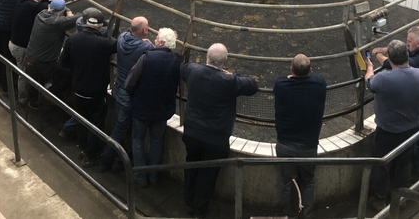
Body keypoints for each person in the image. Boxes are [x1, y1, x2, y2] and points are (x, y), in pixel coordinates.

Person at [181, 43, 258, 218]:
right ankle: (200, 210)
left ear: (206, 57)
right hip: (215, 138)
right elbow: (253, 86)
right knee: (207, 176)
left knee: (191, 167)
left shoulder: (193, 71)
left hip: (192, 132)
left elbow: (183, 68)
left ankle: (189, 203)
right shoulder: (229, 81)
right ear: (225, 61)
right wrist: (231, 75)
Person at [364, 40, 419, 208]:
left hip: (387, 130)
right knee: (404, 162)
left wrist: (370, 69)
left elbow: (369, 83)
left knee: (381, 164)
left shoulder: (383, 78)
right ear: (407, 55)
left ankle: (379, 199)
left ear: (390, 59)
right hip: (410, 129)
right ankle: (400, 197)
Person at [372, 27, 419, 176]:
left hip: (407, 120)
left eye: (409, 42)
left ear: (418, 43)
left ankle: (418, 173)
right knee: (406, 155)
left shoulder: (417, 64)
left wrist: (378, 54)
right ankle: (405, 183)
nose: (407, 44)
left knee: (417, 145)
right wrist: (386, 49)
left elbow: (388, 65)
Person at [58, 8, 117, 167]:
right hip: (96, 92)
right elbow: (119, 45)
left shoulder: (73, 39)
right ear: (100, 26)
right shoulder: (104, 43)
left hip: (78, 88)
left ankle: (83, 147)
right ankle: (90, 154)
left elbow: (63, 63)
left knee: (81, 119)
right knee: (96, 123)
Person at [124, 27, 182, 188]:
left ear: (161, 42)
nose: (154, 39)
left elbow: (130, 82)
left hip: (142, 108)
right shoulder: (176, 59)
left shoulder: (146, 57)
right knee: (157, 141)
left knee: (138, 140)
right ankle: (153, 176)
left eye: (157, 38)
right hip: (163, 110)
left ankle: (140, 177)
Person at [273, 54, 326, 219]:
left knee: (288, 184)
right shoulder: (319, 85)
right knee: (308, 181)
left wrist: (291, 77)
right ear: (310, 70)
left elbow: (281, 81)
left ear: (291, 69)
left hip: (286, 145)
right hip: (309, 146)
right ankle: (306, 215)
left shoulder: (282, 85)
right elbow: (318, 79)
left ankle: (291, 215)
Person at [100, 16, 155, 173]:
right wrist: (149, 43)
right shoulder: (146, 49)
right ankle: (106, 158)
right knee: (120, 127)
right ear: (144, 30)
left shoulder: (123, 38)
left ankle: (120, 158)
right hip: (130, 93)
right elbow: (154, 52)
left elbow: (124, 36)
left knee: (122, 124)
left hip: (119, 87)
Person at [24, 0, 78, 104]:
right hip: (43, 65)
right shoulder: (57, 22)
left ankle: (34, 100)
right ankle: (50, 96)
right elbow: (79, 17)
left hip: (29, 59)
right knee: (70, 73)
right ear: (62, 12)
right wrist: (68, 12)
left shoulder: (41, 14)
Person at [10, 0, 51, 104]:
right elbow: (46, 7)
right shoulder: (35, 7)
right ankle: (22, 99)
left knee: (22, 71)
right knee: (24, 74)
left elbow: (43, 0)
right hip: (21, 47)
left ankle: (24, 94)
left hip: (14, 42)